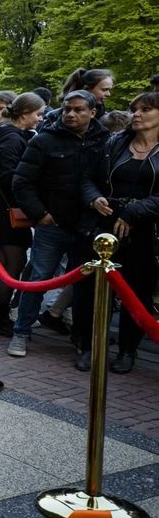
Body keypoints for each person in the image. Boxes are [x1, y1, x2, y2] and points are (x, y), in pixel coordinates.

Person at [9, 91, 109, 361]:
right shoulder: (45, 140)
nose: (71, 114)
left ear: (92, 112)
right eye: (67, 109)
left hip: (89, 225)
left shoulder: (105, 141)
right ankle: (22, 330)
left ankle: (82, 340)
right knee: (38, 278)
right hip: (52, 223)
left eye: (78, 110)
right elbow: (22, 181)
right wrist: (39, 214)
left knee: (84, 285)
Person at [81, 91, 159, 374]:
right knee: (93, 290)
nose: (136, 113)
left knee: (136, 292)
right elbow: (88, 178)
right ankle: (90, 346)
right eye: (134, 108)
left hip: (147, 232)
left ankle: (128, 350)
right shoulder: (115, 143)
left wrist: (133, 212)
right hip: (105, 224)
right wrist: (93, 197)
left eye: (146, 109)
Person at [0, 93, 45, 336]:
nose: (40, 119)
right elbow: (9, 177)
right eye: (38, 114)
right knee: (12, 266)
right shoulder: (12, 139)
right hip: (7, 210)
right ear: (24, 113)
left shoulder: (7, 136)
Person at [44, 68, 114, 125]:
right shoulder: (53, 118)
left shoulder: (108, 120)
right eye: (104, 89)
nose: (108, 94)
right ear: (86, 88)